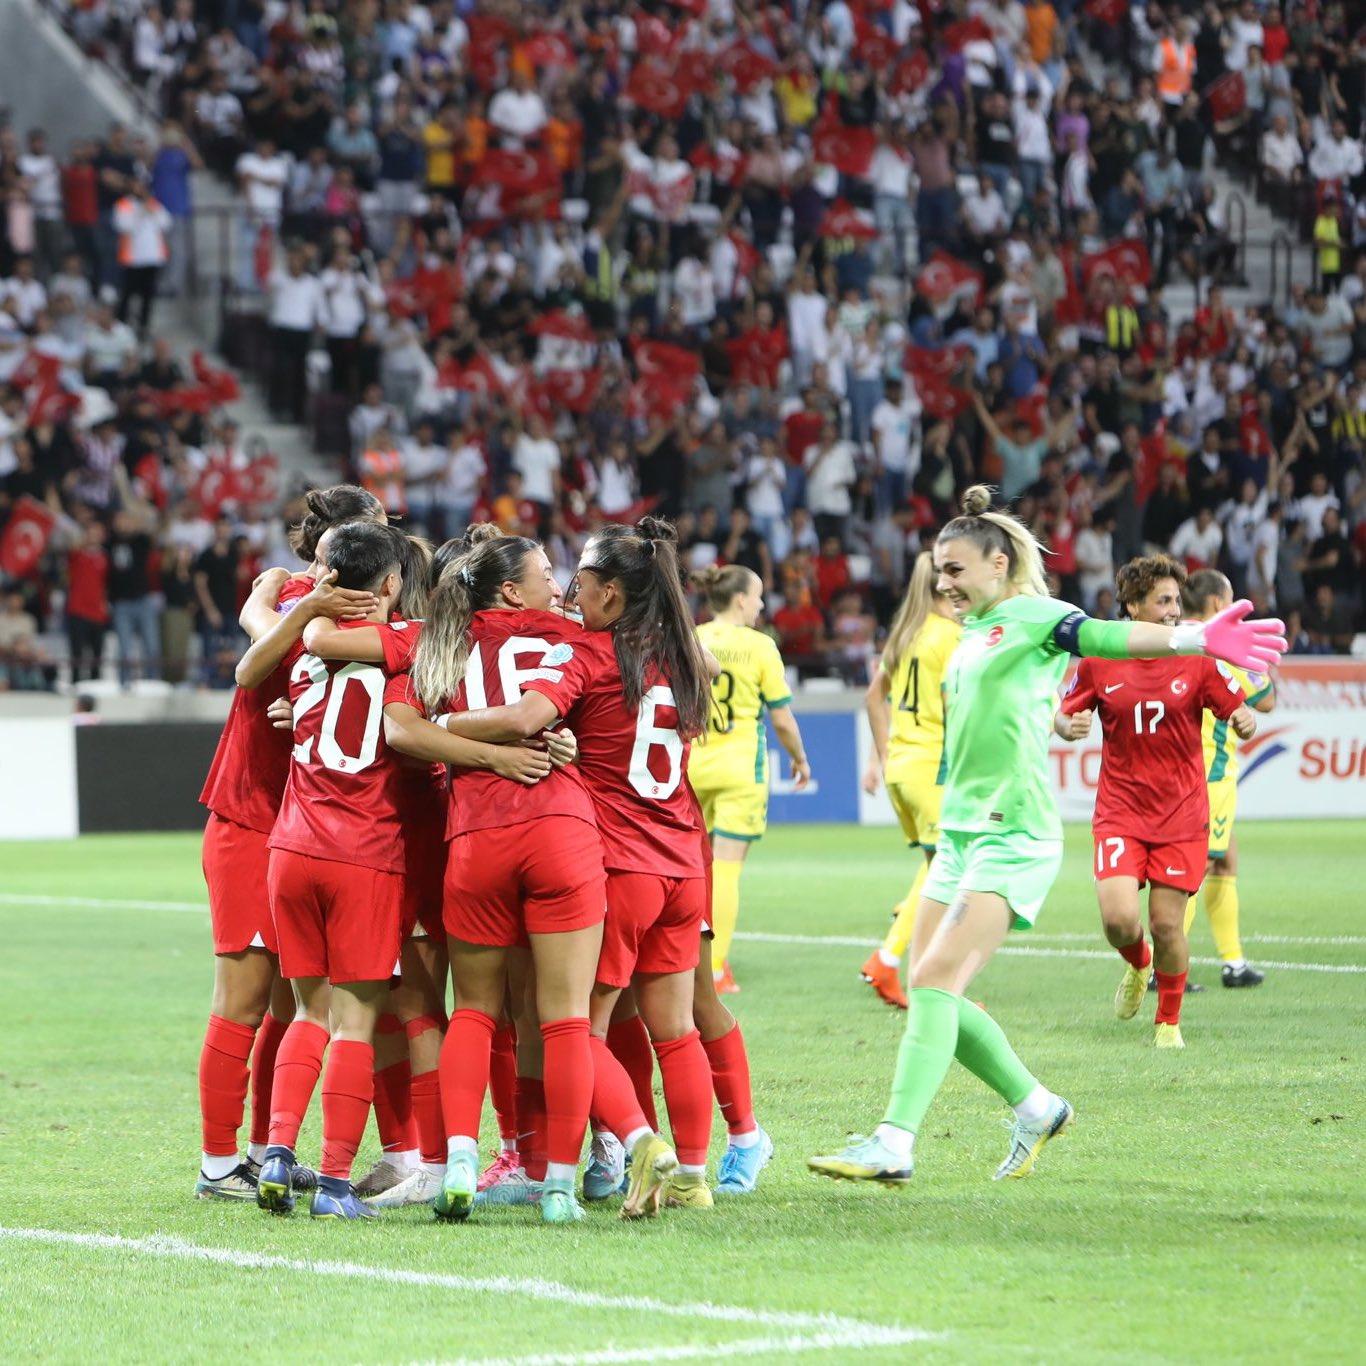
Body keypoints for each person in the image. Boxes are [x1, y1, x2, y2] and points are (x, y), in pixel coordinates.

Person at [809, 486, 1285, 1187]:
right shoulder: (974, 632)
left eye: (956, 569)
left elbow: (1105, 636)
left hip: (1014, 834)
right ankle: (1036, 1106)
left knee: (938, 980)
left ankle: (895, 1140)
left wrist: (1193, 638)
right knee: (927, 986)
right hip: (963, 834)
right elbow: (1010, 712)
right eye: (939, 570)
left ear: (999, 563)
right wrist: (1052, 721)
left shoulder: (1036, 614)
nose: (944, 582)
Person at [246, 523, 552, 1221]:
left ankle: (276, 1153)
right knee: (367, 1020)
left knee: (309, 1011)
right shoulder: (414, 645)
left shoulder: (304, 650)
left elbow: (294, 652)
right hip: (369, 851)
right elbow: (412, 735)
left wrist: (287, 605)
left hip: (291, 846)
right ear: (390, 586)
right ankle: (332, 1182)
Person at [438, 519, 729, 1213]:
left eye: (581, 584)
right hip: (684, 861)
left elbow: (528, 714)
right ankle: (694, 1174)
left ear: (607, 592)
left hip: (616, 860)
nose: (569, 593)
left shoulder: (591, 653)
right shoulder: (686, 656)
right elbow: (705, 667)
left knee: (574, 1024)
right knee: (676, 1026)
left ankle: (632, 1143)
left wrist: (442, 728)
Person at [388, 531, 614, 1226]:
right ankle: (558, 1183)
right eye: (548, 573)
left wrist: (473, 755)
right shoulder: (573, 637)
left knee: (476, 1011)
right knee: (565, 1018)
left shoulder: (439, 641)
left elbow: (402, 729)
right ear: (513, 589)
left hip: (474, 840)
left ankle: (460, 1160)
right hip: (559, 830)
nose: (561, 584)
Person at [192, 484, 387, 1201]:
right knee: (243, 998)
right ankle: (217, 1164)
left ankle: (263, 1149)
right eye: (376, 532)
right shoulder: (303, 601)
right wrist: (289, 611)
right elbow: (251, 665)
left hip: (306, 829)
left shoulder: (330, 603)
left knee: (290, 1006)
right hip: (253, 817)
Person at [1054, 556, 1254, 1049]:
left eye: (1176, 601)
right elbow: (1064, 712)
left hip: (1182, 814)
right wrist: (1067, 725)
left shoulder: (1196, 658)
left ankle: (1168, 1022)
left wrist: (1245, 719)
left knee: (1167, 924)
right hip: (1121, 812)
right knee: (1119, 920)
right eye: (1162, 601)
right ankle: (1138, 963)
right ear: (1132, 606)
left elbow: (1239, 706)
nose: (1173, 611)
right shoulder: (1101, 660)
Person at [687, 565, 812, 993]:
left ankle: (684, 961)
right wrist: (799, 758)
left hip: (691, 766)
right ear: (741, 599)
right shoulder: (760, 646)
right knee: (726, 868)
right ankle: (715, 968)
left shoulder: (692, 638)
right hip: (740, 768)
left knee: (692, 869)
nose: (761, 604)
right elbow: (780, 717)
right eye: (758, 596)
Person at [859, 552, 961, 1009]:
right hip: (933, 767)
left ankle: (929, 977)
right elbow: (954, 706)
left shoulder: (906, 635)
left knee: (936, 869)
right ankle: (889, 957)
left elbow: (872, 696)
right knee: (947, 870)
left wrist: (882, 755)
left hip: (903, 767)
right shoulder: (951, 637)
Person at [1183, 569, 1277, 988]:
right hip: (1211, 775)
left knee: (1224, 860)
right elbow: (1267, 700)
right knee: (1195, 868)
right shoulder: (1220, 648)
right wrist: (1254, 657)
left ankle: (1233, 963)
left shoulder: (1173, 643)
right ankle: (1163, 967)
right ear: (1220, 604)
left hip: (1182, 772)